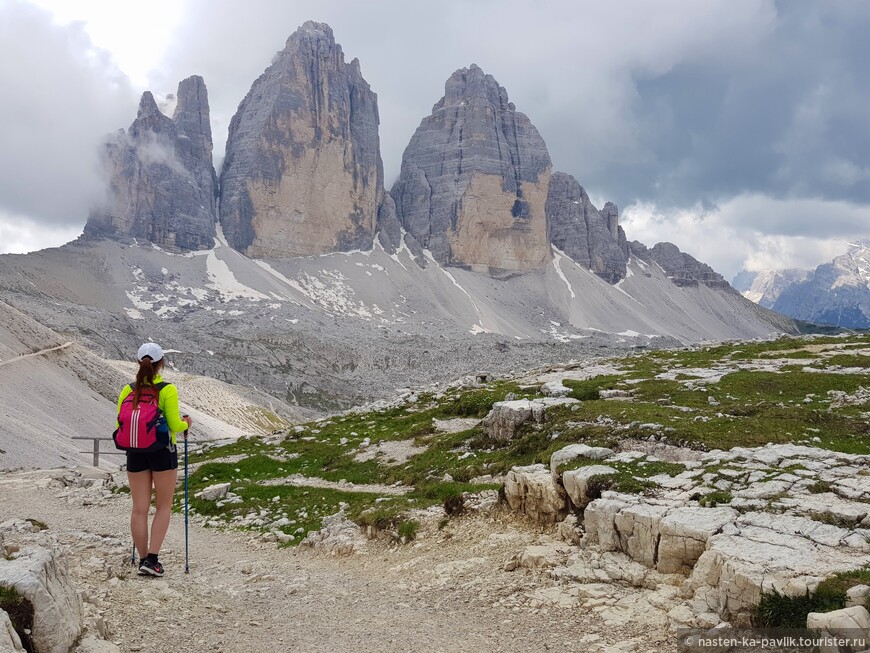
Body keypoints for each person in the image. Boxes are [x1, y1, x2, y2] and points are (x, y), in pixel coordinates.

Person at [117, 342, 191, 577]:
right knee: (163, 506)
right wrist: (187, 423)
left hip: (135, 452)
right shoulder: (167, 390)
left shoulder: (128, 390)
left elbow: (119, 423)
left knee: (139, 509)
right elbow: (174, 425)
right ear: (161, 364)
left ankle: (141, 560)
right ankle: (153, 560)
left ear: (139, 363)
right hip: (162, 451)